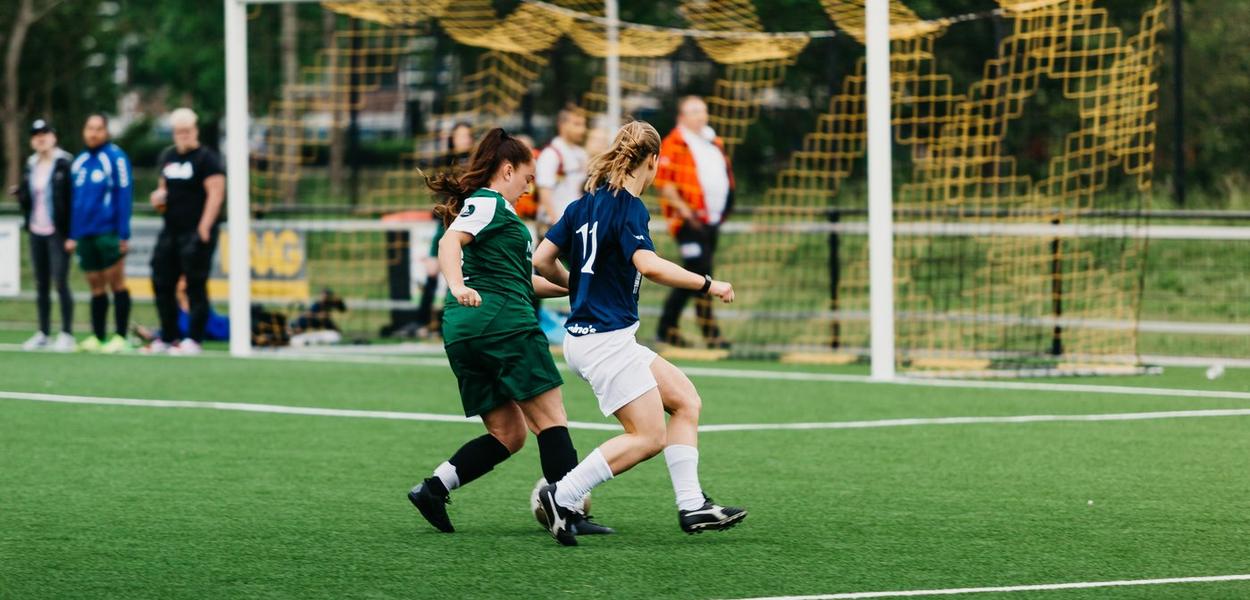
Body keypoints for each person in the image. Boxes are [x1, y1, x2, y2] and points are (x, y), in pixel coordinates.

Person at [532, 121, 746, 546]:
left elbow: (541, 259)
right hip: (603, 340)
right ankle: (564, 495)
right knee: (648, 437)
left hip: (597, 337)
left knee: (685, 400)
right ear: (652, 161)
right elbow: (648, 264)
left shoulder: (582, 204)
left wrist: (576, 285)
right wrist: (708, 283)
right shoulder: (629, 206)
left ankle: (692, 506)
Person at [406, 127, 612, 537]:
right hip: (503, 323)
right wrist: (458, 285)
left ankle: (433, 489)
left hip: (466, 331)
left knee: (509, 434)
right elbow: (450, 245)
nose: (530, 184)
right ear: (506, 169)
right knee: (552, 418)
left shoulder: (498, 214)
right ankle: (567, 510)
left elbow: (524, 280)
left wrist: (581, 287)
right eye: (527, 175)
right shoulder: (487, 203)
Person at [654, 96, 734, 349]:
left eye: (703, 111)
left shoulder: (713, 142)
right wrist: (687, 213)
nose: (700, 116)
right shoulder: (674, 144)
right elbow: (665, 185)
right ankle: (669, 328)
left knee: (703, 273)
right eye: (694, 111)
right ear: (682, 117)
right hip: (688, 222)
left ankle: (704, 331)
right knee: (696, 271)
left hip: (710, 221)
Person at [148, 108, 226, 356]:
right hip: (171, 229)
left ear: (195, 130)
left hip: (196, 230)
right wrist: (157, 199)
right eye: (179, 131)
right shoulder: (168, 157)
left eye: (187, 130)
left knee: (195, 285)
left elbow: (216, 194)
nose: (183, 135)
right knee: (161, 281)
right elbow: (162, 193)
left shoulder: (207, 158)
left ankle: (194, 338)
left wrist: (204, 227)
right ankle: (169, 336)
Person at [68, 113, 133, 354]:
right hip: (84, 234)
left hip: (109, 232)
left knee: (116, 282)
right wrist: (73, 234)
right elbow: (74, 200)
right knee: (95, 285)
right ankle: (98, 336)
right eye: (89, 128)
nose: (93, 133)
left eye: (98, 129)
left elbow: (124, 195)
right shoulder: (80, 161)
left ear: (106, 131)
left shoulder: (115, 157)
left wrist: (123, 234)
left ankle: (121, 336)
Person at [13, 119, 76, 352]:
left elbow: (72, 201)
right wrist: (21, 195)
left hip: (58, 232)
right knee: (41, 284)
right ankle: (43, 332)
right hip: (36, 229)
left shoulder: (64, 163)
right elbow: (30, 199)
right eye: (36, 134)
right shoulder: (31, 164)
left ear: (53, 136)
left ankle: (67, 332)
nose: (41, 137)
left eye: (45, 133)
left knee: (60, 281)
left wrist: (72, 234)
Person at [534, 104, 589, 233]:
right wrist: (557, 227)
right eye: (577, 124)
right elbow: (544, 192)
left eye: (583, 124)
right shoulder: (551, 154)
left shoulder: (581, 154)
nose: (582, 130)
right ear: (562, 125)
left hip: (575, 226)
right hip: (554, 225)